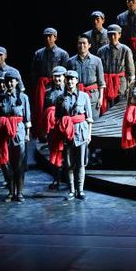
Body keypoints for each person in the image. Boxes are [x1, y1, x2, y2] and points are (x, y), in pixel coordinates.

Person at [0, 71, 31, 202]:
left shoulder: (23, 97)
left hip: (19, 133)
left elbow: (27, 118)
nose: (9, 83)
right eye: (7, 81)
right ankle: (10, 191)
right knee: (6, 164)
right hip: (3, 135)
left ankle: (20, 192)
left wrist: (27, 134)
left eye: (12, 80)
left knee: (19, 163)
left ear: (17, 82)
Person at [53, 70, 94, 200]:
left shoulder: (84, 96)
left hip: (81, 133)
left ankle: (80, 190)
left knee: (81, 163)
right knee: (69, 164)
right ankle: (71, 190)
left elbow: (89, 118)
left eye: (72, 79)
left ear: (77, 81)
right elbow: (57, 118)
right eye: (68, 79)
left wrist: (89, 134)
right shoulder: (60, 98)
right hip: (67, 134)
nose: (70, 81)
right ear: (65, 80)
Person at [30, 28, 69, 138]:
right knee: (40, 108)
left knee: (57, 107)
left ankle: (57, 131)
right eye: (45, 36)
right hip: (42, 86)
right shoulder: (38, 53)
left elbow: (65, 72)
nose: (47, 38)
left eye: (50, 36)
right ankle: (42, 132)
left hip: (56, 84)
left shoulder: (62, 54)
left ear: (55, 37)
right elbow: (34, 71)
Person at [97, 24, 135, 114]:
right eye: (110, 34)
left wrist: (130, 88)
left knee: (120, 108)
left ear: (119, 35)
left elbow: (131, 71)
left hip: (121, 84)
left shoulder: (125, 50)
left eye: (114, 34)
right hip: (106, 83)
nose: (112, 37)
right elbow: (98, 70)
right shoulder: (101, 51)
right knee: (107, 108)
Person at [67, 35, 105, 117]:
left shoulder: (97, 60)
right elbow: (67, 81)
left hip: (92, 95)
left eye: (84, 43)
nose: (82, 45)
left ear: (89, 45)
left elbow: (101, 82)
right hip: (76, 94)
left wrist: (100, 98)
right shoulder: (70, 62)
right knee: (77, 119)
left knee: (93, 119)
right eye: (79, 43)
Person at [43, 66, 67, 190]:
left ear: (64, 77)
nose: (57, 79)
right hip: (52, 128)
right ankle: (56, 179)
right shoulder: (48, 92)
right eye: (55, 76)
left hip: (64, 127)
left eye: (60, 76)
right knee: (53, 152)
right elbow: (44, 110)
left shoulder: (68, 91)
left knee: (66, 154)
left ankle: (68, 180)